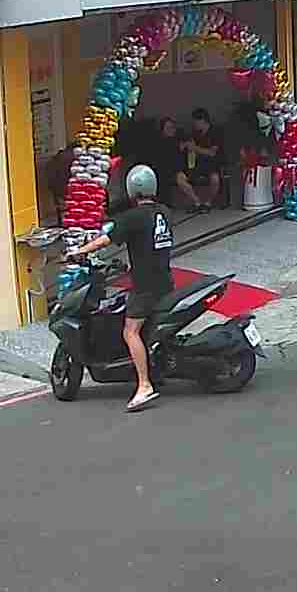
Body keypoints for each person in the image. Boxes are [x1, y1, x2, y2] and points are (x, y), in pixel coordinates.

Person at [67, 164, 175, 413]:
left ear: (131, 189)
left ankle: (144, 385)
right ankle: (152, 369)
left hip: (145, 286)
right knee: (148, 328)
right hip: (164, 281)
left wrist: (79, 252)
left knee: (130, 331)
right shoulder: (164, 212)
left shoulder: (132, 217)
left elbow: (104, 241)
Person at [177, 107, 225, 213]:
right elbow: (189, 146)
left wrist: (195, 148)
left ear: (202, 120)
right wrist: (184, 145)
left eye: (195, 122)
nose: (194, 124)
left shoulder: (216, 132)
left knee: (215, 179)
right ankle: (197, 203)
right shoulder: (195, 133)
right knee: (180, 178)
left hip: (212, 165)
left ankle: (208, 203)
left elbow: (212, 153)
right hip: (196, 165)